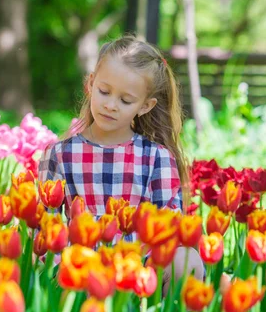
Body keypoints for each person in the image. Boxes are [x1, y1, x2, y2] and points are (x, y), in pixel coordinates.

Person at [38, 35, 203, 293]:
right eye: (104, 91)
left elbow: (168, 232)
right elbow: (46, 227)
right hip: (79, 272)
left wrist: (131, 271)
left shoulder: (156, 158)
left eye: (125, 101)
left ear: (145, 106)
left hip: (138, 274)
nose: (110, 105)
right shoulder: (60, 154)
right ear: (91, 84)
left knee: (187, 259)